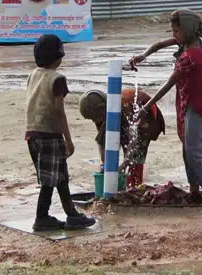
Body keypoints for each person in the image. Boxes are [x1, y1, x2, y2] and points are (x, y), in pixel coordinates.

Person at [130, 9, 202, 202]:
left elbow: (168, 84)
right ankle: (195, 191)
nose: (173, 35)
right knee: (187, 149)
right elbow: (160, 44)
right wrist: (143, 55)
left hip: (198, 106)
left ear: (188, 29)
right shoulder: (189, 43)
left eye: (176, 31)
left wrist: (147, 106)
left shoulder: (190, 56)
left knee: (194, 151)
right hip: (187, 104)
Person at [25, 34, 96, 231]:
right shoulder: (58, 79)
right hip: (49, 135)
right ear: (59, 57)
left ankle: (71, 214)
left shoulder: (33, 75)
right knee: (50, 180)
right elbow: (58, 111)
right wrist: (68, 139)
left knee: (60, 176)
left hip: (32, 134)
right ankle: (41, 217)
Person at [79, 88, 165, 188]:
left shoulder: (126, 106)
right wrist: (105, 163)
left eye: (97, 117)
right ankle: (128, 181)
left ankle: (134, 186)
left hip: (145, 117)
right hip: (127, 121)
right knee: (123, 146)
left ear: (102, 108)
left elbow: (134, 139)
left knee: (135, 157)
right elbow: (102, 138)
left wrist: (124, 164)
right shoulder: (102, 111)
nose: (95, 121)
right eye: (92, 119)